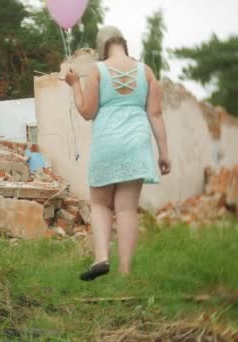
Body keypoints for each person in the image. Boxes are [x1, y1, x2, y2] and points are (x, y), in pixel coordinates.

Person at [64, 26, 171, 281]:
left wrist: (74, 84)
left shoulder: (97, 71)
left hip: (107, 144)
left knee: (100, 203)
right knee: (126, 210)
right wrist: (164, 153)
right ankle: (125, 273)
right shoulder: (146, 72)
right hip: (137, 145)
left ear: (101, 48)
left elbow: (87, 112)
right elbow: (155, 115)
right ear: (124, 43)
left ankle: (101, 258)